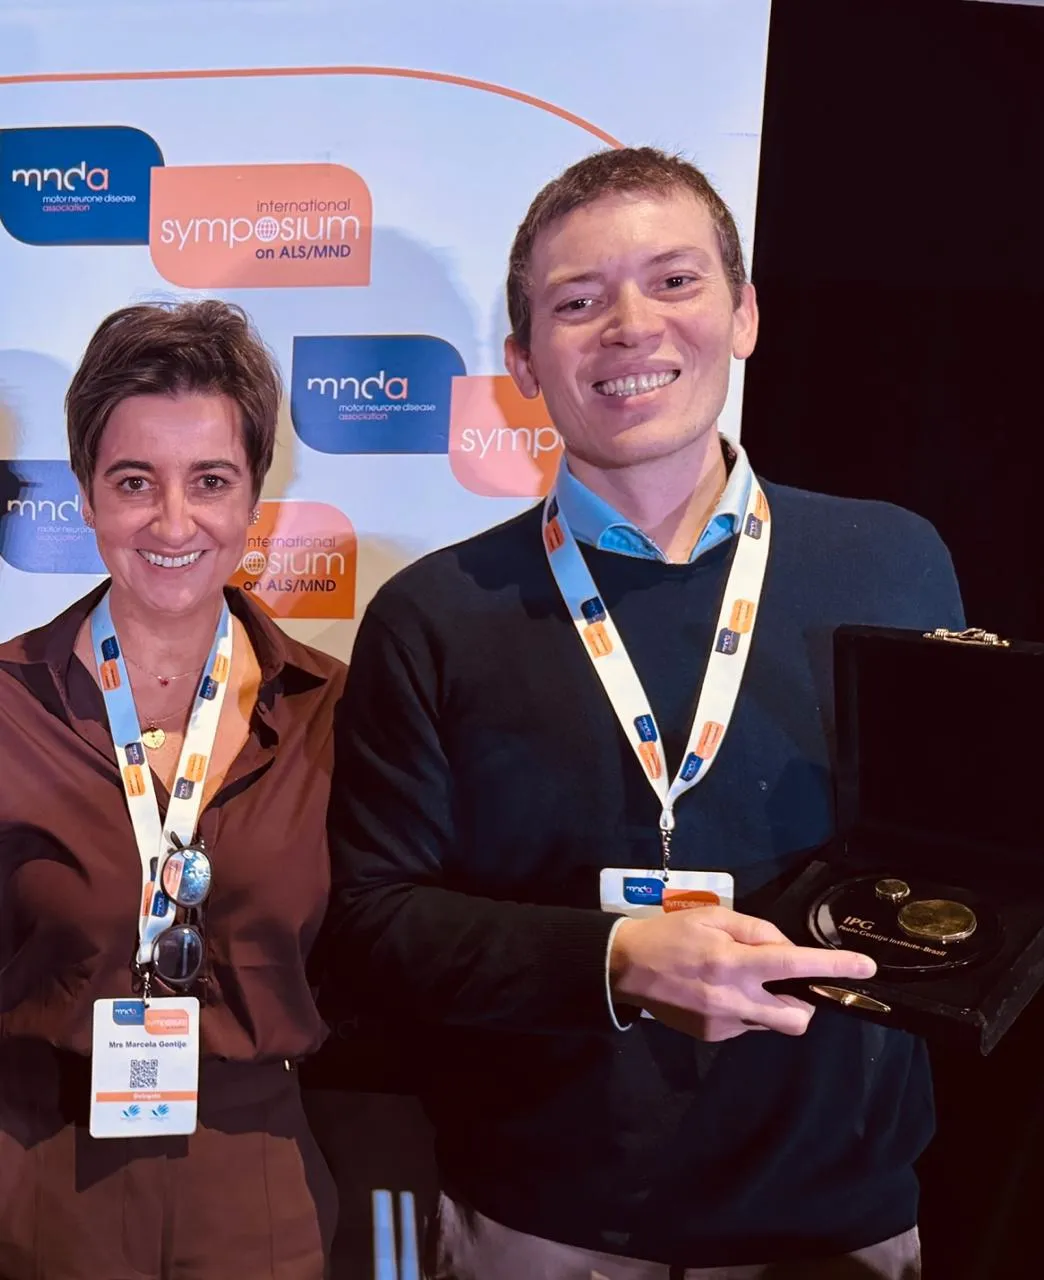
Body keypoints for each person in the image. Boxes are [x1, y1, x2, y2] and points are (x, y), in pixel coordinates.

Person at [324, 147, 964, 1279]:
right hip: (544, 1226)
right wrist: (616, 958)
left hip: (835, 1226)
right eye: (577, 301)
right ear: (522, 361)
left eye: (673, 281)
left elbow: (948, 866)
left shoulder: (893, 562)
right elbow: (374, 929)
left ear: (745, 313)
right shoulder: (433, 613)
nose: (629, 325)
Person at [0, 299, 343, 1279]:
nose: (174, 520)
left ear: (252, 499)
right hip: (36, 1169)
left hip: (255, 1176)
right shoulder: (5, 703)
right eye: (135, 481)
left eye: (211, 481)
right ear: (86, 494)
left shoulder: (333, 709)